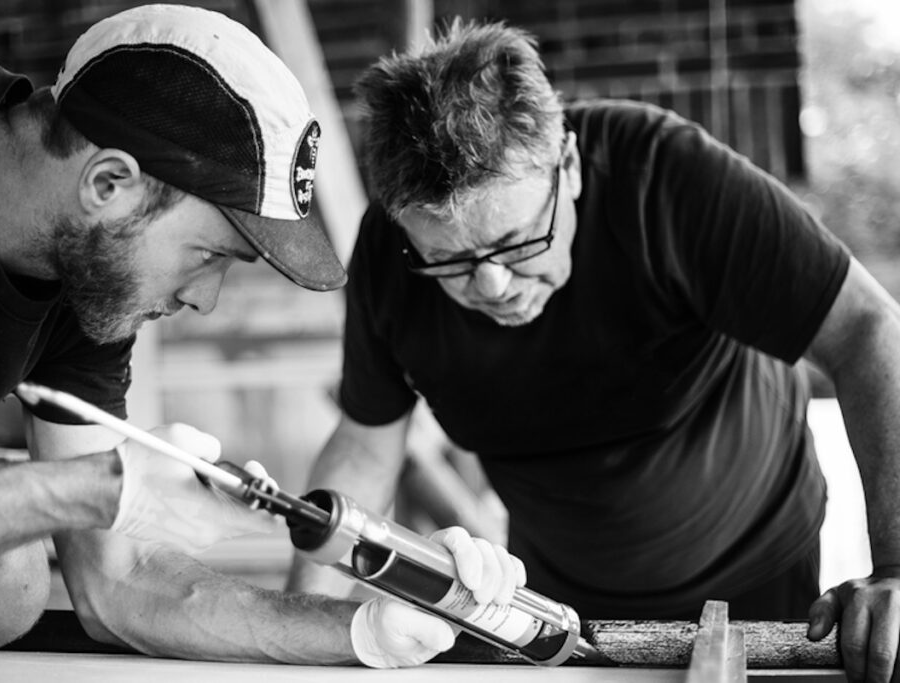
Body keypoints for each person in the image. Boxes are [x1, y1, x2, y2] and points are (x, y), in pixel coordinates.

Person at [0, 5, 528, 668]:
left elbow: (116, 579)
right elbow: (91, 498)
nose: (205, 301)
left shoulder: (90, 271)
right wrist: (94, 487)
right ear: (109, 183)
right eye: (210, 254)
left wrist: (361, 632)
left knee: (2, 581)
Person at [285, 18, 900, 683]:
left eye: (517, 244)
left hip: (753, 561)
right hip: (554, 592)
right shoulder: (389, 254)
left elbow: (867, 330)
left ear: (570, 168)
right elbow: (365, 446)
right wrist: (302, 624)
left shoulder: (666, 176)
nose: (491, 286)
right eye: (449, 262)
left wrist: (897, 567)